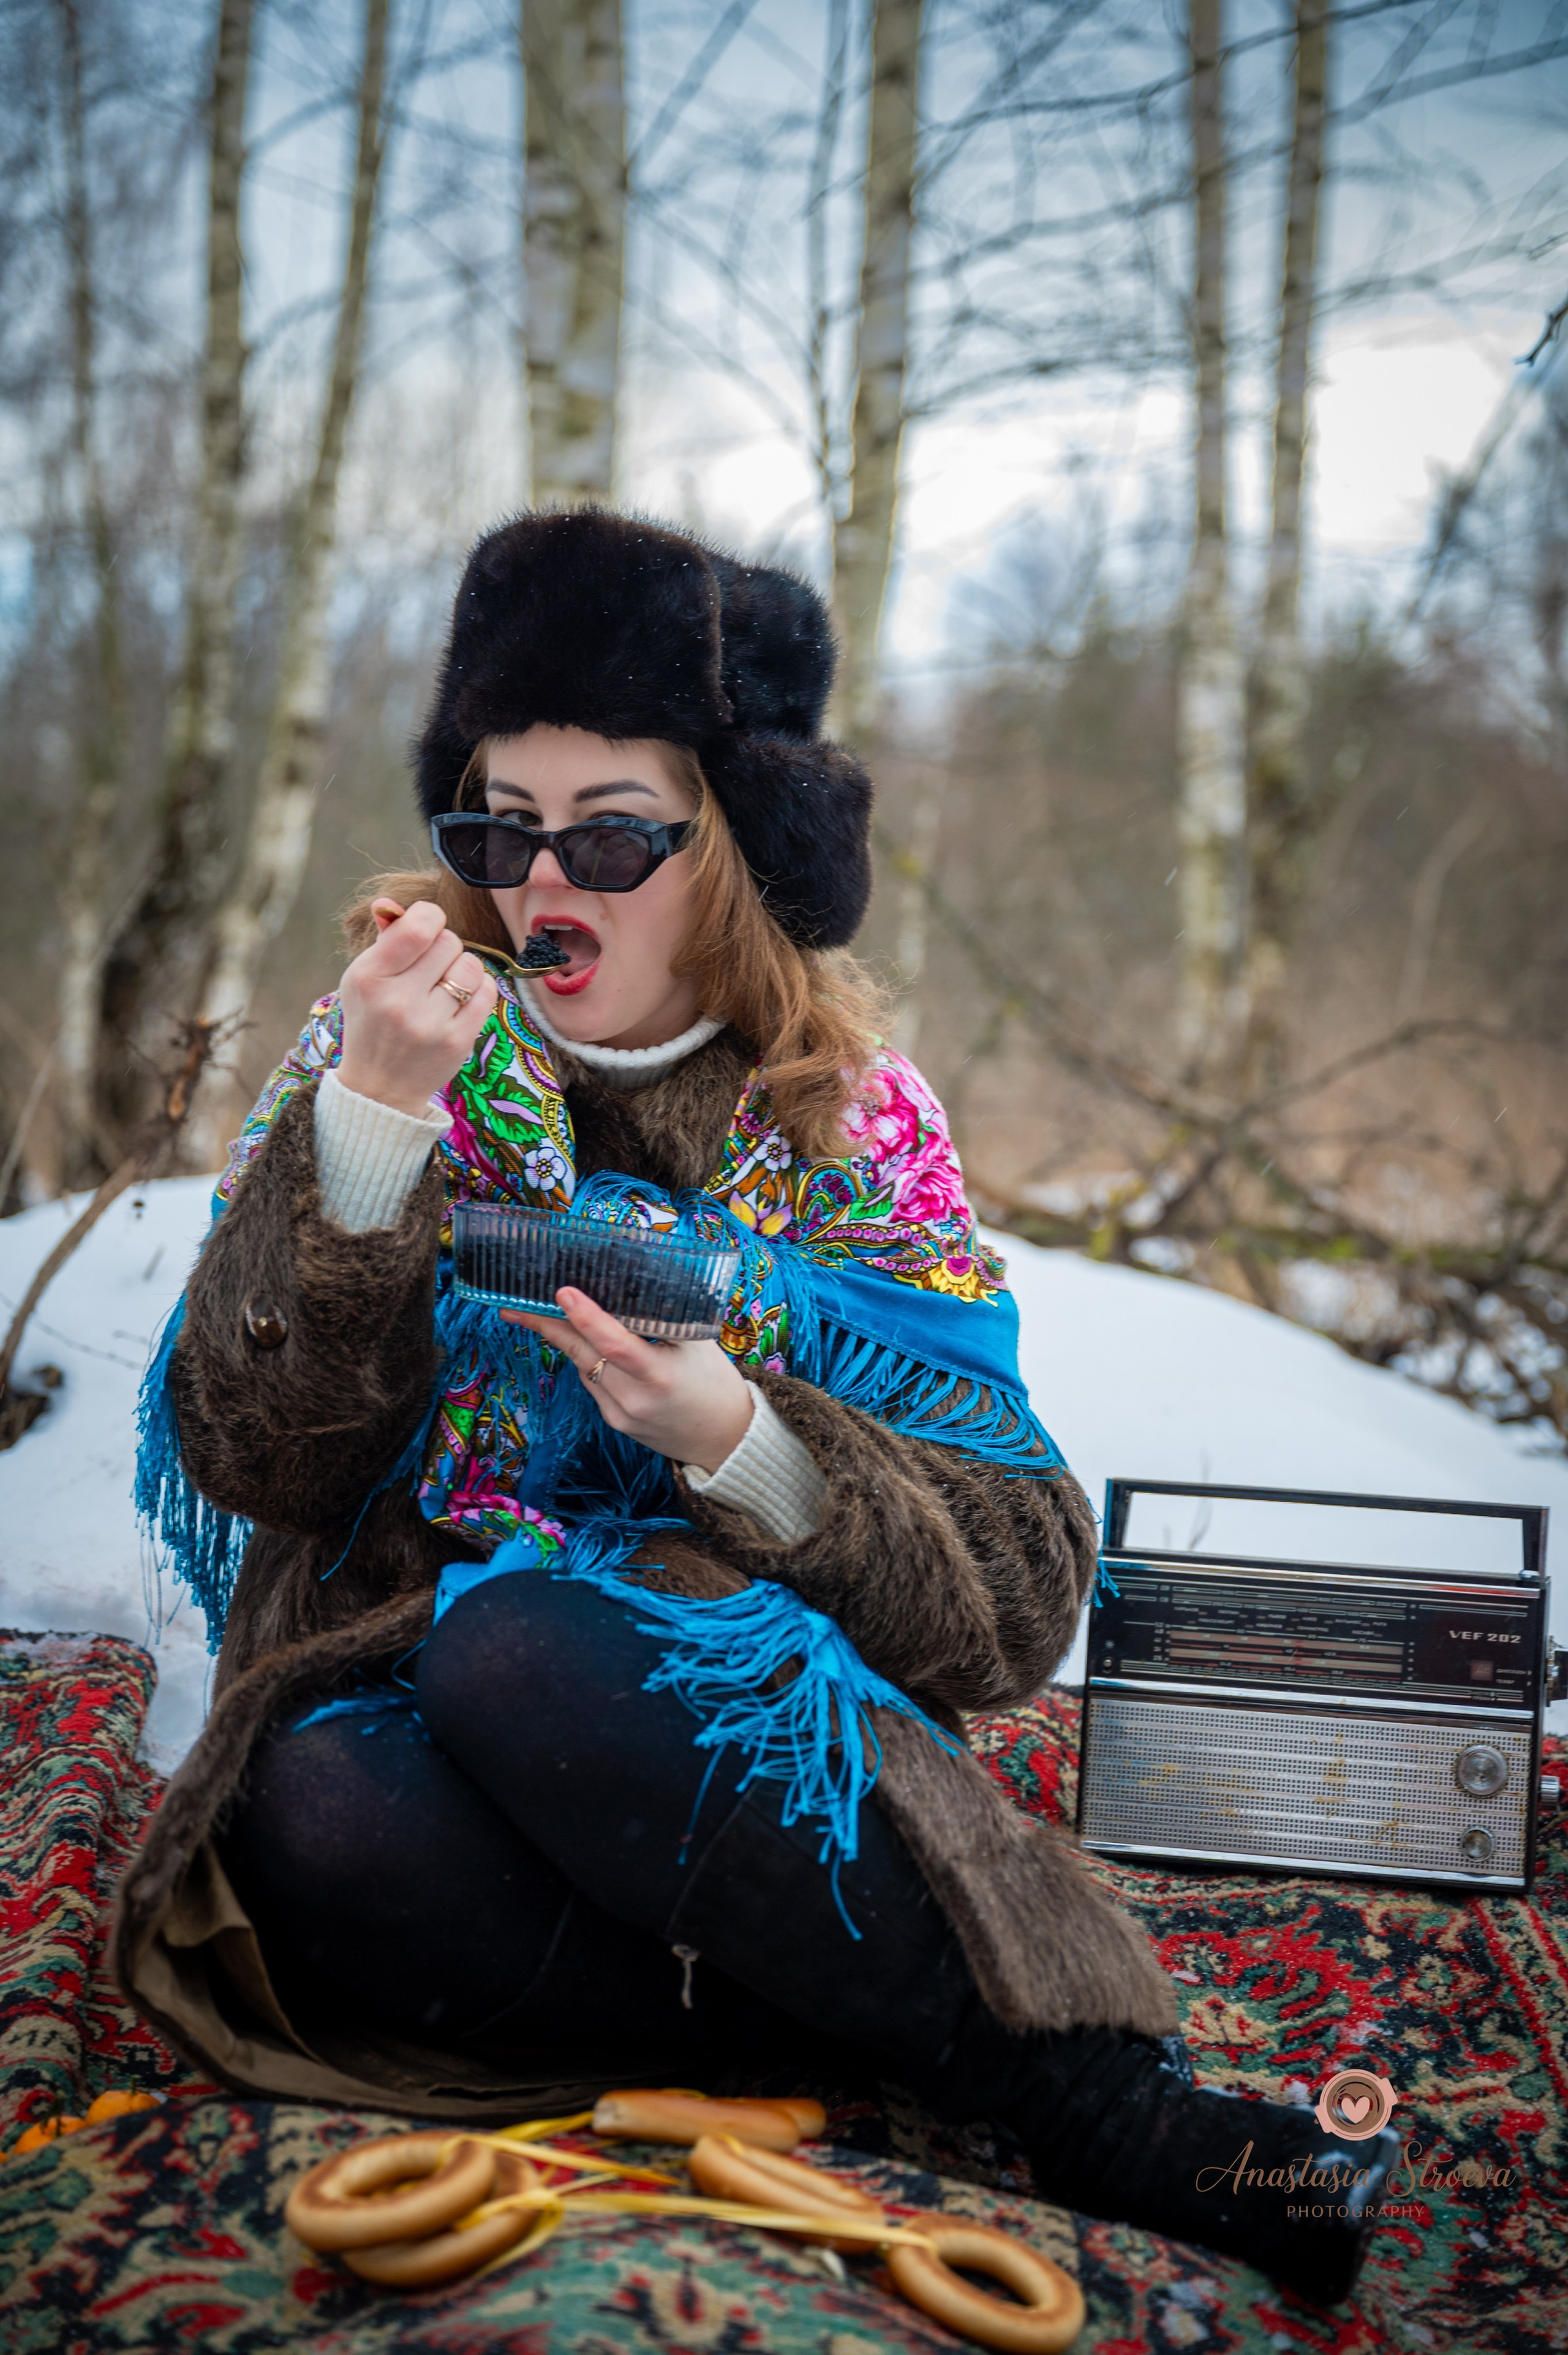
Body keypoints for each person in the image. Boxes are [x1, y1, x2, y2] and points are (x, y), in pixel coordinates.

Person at [119, 509, 1393, 2300]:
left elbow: (1020, 1596)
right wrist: (368, 1143)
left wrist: (744, 1444)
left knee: (534, 1642)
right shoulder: (380, 1048)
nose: (540, 886)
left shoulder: (850, 1125)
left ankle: (1094, 2094)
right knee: (310, 1809)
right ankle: (845, 2025)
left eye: (614, 835)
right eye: (495, 826)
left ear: (733, 848)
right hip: (425, 1737)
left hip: (712, 1719)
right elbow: (254, 1459)